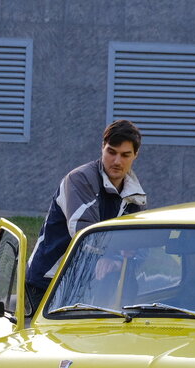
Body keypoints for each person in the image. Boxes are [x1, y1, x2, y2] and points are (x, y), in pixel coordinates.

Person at [25, 119, 147, 310]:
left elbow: (140, 243)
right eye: (111, 152)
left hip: (93, 280)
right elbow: (85, 233)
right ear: (102, 148)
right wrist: (114, 254)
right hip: (52, 280)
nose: (117, 161)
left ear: (135, 155)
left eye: (125, 155)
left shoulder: (134, 193)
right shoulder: (80, 180)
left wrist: (116, 259)